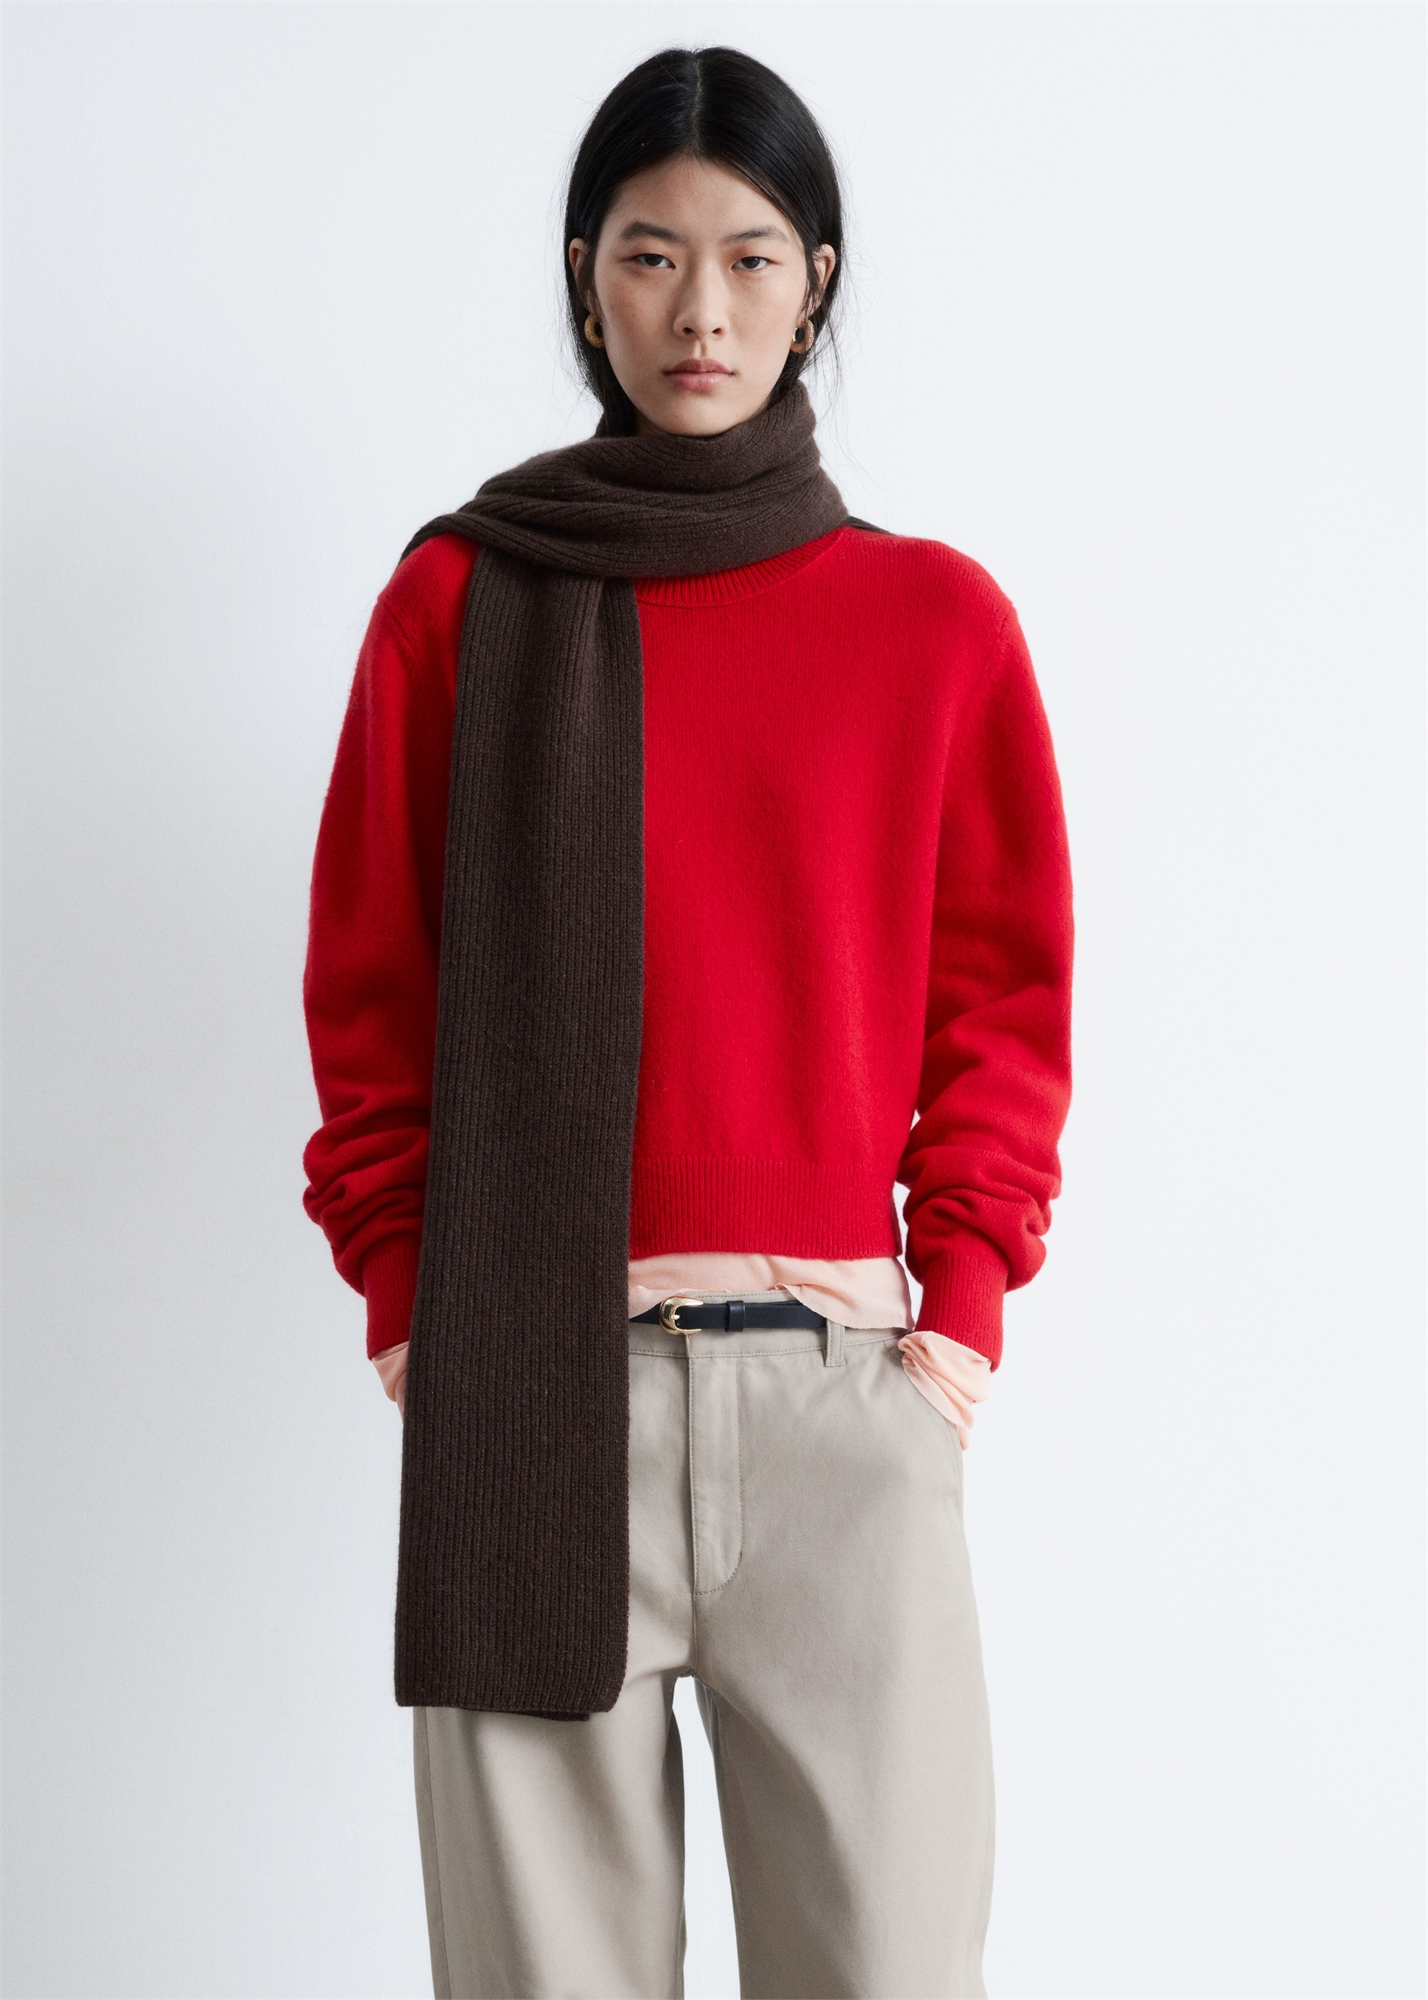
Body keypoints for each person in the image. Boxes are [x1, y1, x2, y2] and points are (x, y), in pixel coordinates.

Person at [302, 44, 1073, 2000]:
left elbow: (1004, 1001)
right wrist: (410, 1311)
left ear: (819, 280)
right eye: (651, 255)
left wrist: (961, 1321)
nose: (701, 310)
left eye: (749, 256)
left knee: (889, 1972)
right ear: (587, 280)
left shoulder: (935, 625)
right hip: (529, 1389)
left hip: (844, 1395)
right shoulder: (460, 604)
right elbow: (374, 992)